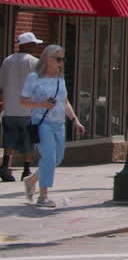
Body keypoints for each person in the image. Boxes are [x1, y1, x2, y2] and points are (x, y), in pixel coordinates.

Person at [19, 44, 85, 207]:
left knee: (57, 158)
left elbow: (64, 101)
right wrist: (41, 104)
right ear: (47, 59)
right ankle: (43, 196)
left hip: (59, 123)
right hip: (42, 122)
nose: (61, 63)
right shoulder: (34, 77)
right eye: (58, 59)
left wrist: (75, 119)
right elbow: (23, 100)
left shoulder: (60, 78)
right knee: (48, 157)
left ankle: (32, 179)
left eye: (62, 59)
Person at [1, 32, 45, 182]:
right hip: (28, 110)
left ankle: (5, 167)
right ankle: (26, 169)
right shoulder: (34, 62)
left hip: (10, 109)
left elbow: (1, 86)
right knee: (29, 141)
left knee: (9, 140)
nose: (35, 47)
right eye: (33, 44)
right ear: (25, 45)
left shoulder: (7, 61)